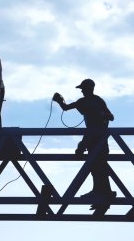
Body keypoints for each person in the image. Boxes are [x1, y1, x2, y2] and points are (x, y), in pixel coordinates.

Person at [53, 79, 116, 207]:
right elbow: (111, 117)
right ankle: (102, 191)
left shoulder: (86, 102)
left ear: (88, 89)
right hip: (100, 138)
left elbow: (66, 108)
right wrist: (101, 114)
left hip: (94, 138)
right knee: (99, 165)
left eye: (83, 88)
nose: (81, 91)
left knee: (96, 166)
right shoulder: (98, 100)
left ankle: (101, 192)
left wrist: (59, 101)